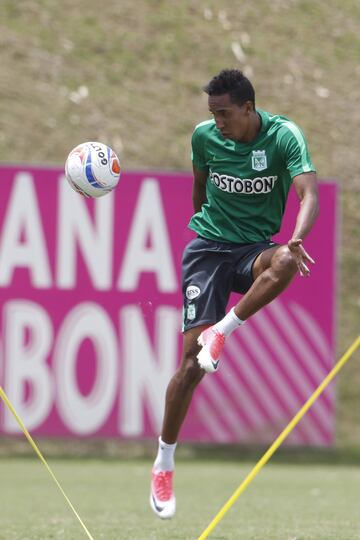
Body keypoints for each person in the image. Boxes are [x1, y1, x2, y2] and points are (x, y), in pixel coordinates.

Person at [150, 68, 319, 519]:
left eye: (224, 113)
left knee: (285, 259)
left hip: (253, 251)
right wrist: (207, 238)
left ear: (248, 108)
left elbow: (309, 195)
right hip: (208, 251)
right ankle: (163, 463)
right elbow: (199, 189)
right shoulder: (204, 138)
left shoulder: (284, 137)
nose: (218, 121)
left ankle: (223, 330)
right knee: (189, 368)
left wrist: (297, 238)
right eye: (213, 113)